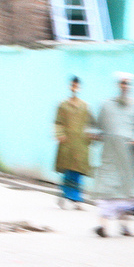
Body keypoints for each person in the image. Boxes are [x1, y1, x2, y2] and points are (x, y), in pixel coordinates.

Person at [89, 72, 134, 237]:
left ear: (131, 87)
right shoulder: (106, 106)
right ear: (118, 85)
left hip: (128, 159)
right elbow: (96, 127)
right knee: (107, 191)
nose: (124, 86)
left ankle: (124, 226)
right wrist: (93, 134)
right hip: (110, 155)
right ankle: (103, 226)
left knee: (126, 193)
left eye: (127, 84)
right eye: (122, 83)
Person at [53, 76, 93, 210]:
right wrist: (60, 135)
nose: (74, 88)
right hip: (67, 143)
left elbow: (91, 124)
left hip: (80, 144)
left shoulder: (85, 106)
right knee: (68, 171)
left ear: (79, 87)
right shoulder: (63, 105)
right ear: (69, 87)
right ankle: (64, 196)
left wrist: (90, 136)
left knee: (77, 172)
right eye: (72, 86)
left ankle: (76, 199)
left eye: (76, 86)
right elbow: (57, 122)